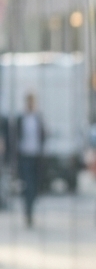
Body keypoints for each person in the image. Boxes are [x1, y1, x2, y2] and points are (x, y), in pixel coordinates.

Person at [15, 93, 46, 226]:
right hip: (24, 156)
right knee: (28, 185)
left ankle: (30, 210)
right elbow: (15, 136)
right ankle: (28, 213)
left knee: (35, 186)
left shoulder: (37, 118)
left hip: (36, 156)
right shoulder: (21, 119)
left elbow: (42, 135)